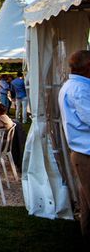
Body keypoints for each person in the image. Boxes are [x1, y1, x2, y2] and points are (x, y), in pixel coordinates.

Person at [58, 50, 90, 243]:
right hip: (86, 154)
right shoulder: (79, 89)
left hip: (82, 152)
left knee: (86, 203)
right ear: (88, 67)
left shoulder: (75, 86)